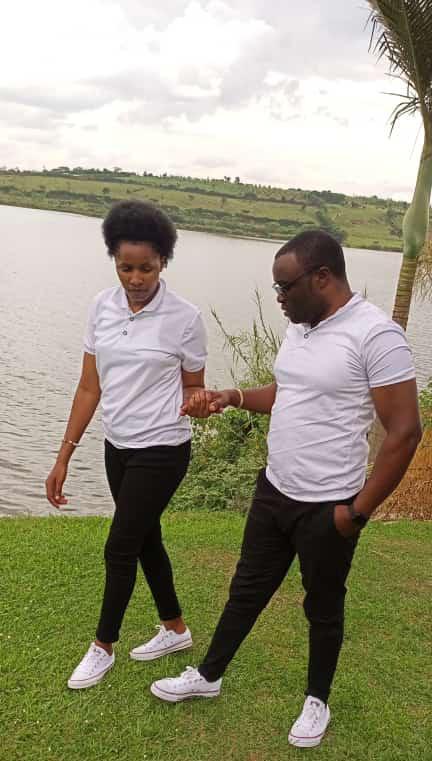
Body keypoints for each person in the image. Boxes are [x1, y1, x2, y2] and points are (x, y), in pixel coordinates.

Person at [150, 229, 422, 748]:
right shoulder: (302, 325)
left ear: (322, 277)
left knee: (323, 606)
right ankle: (208, 675)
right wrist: (231, 396)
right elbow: (288, 390)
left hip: (329, 505)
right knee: (246, 588)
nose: (278, 297)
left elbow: (405, 432)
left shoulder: (376, 335)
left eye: (284, 286)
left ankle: (317, 700)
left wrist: (355, 513)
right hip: (275, 489)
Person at [45, 200, 207, 689]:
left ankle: (103, 647)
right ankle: (175, 629)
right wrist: (63, 455)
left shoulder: (185, 318)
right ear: (114, 260)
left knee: (120, 546)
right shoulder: (102, 306)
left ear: (164, 262)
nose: (135, 278)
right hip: (117, 446)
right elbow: (89, 387)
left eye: (147, 268)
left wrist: (199, 403)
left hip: (163, 448)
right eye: (125, 267)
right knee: (145, 538)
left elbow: (193, 386)